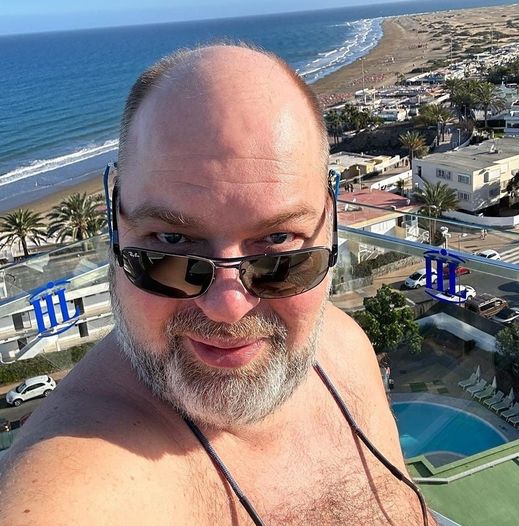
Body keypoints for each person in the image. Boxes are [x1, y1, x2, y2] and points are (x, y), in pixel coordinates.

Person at [0, 45, 432, 525]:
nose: (228, 306)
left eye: (277, 240)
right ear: (115, 227)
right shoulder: (77, 482)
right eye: (171, 242)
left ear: (329, 224)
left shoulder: (345, 346)